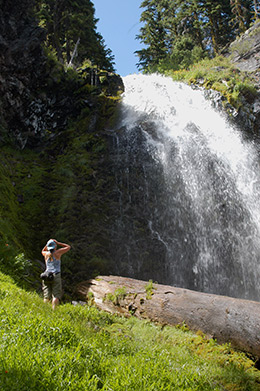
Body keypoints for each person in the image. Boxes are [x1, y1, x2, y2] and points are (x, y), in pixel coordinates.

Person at [41, 238, 71, 310]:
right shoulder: (58, 253)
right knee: (55, 295)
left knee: (46, 296)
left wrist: (47, 244)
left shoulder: (46, 254)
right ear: (55, 247)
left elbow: (42, 250)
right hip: (55, 275)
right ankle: (54, 310)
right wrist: (58, 243)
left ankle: (44, 311)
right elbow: (68, 247)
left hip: (46, 275)